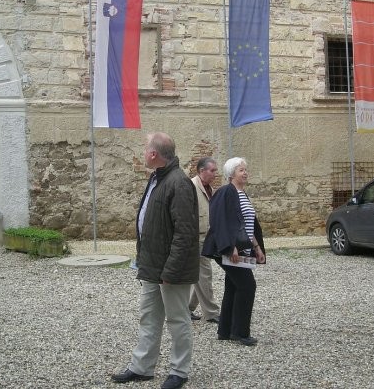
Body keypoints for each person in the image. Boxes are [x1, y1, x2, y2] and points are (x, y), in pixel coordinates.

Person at [112, 132, 200, 389]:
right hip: (151, 266)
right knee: (149, 317)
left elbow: (185, 233)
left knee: (177, 320)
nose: (143, 152)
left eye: (145, 149)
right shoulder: (157, 178)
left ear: (153, 154)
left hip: (171, 270)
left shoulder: (179, 183)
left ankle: (179, 371)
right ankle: (142, 367)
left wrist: (170, 271)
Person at [202, 157, 266, 347]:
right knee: (247, 286)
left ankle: (225, 330)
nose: (245, 173)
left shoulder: (242, 194)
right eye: (240, 170)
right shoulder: (225, 192)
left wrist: (256, 247)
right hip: (227, 249)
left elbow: (247, 224)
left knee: (234, 286)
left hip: (242, 248)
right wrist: (230, 247)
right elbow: (219, 220)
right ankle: (240, 332)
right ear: (231, 174)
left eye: (246, 170)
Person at [189, 157, 221, 324]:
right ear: (202, 171)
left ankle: (187, 308)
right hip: (197, 239)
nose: (215, 174)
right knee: (205, 275)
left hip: (207, 238)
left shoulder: (210, 189)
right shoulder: (191, 187)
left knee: (199, 275)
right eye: (212, 171)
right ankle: (211, 312)